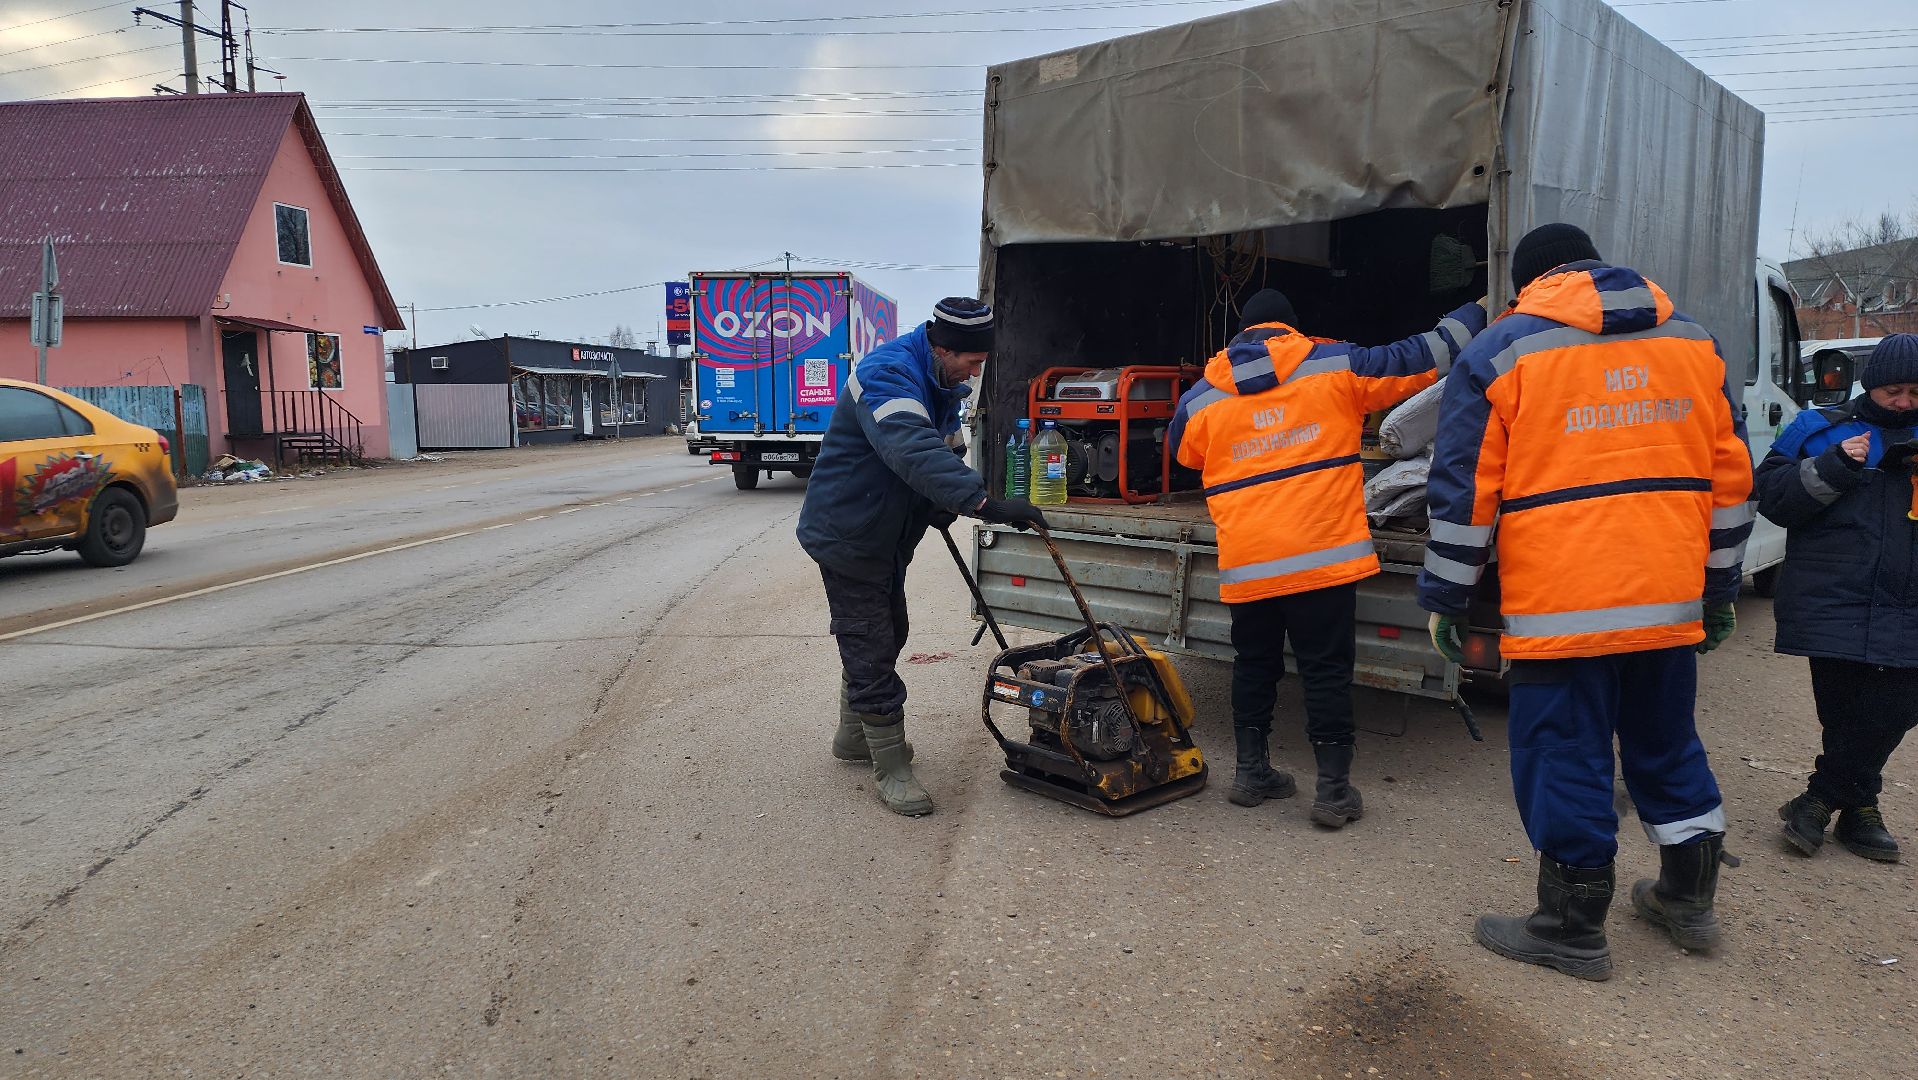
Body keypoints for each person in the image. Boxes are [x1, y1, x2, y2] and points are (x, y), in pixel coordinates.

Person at [1418, 223, 1754, 981]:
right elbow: (1731, 483)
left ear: (1531, 282)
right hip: (1666, 607)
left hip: (1561, 614)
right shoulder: (1694, 345)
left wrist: (1446, 596)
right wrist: (1722, 587)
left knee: (1565, 756)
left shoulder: (1503, 349)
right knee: (1667, 745)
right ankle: (1687, 899)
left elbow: (1467, 492)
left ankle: (1570, 929)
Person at [1168, 287, 1487, 825]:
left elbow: (1184, 451)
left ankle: (1251, 774)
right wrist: (1479, 308)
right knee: (1325, 673)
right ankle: (1333, 792)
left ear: (1240, 335)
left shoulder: (1201, 399)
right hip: (1322, 558)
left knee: (1254, 667)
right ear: (1294, 329)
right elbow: (1425, 357)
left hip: (1250, 565)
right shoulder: (1336, 365)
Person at [796, 297, 1047, 817]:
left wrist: (940, 500)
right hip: (849, 533)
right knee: (870, 641)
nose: (975, 374)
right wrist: (979, 501)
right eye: (972, 363)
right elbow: (910, 445)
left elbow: (946, 446)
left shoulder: (940, 382)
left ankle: (852, 737)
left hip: (886, 533)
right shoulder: (886, 373)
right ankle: (891, 766)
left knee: (890, 629)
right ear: (942, 346)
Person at [1757, 333, 1918, 863]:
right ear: (1872, 386)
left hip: (1909, 598)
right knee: (1843, 706)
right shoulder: (1818, 427)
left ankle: (1822, 797)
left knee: (1897, 703)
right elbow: (1774, 499)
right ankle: (1861, 809)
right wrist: (1834, 467)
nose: (1905, 402)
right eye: (1895, 390)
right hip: (1834, 598)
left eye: (1915, 392)